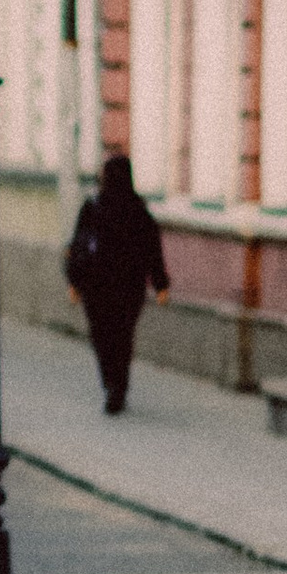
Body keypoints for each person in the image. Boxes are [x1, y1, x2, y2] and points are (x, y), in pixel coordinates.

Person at [65, 151, 169, 415]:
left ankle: (111, 384)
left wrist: (75, 282)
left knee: (102, 336)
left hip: (96, 287)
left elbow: (78, 246)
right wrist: (160, 285)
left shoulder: (94, 208)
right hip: (129, 288)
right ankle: (118, 386)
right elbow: (152, 251)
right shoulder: (139, 212)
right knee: (122, 337)